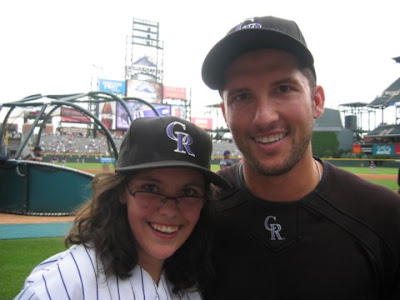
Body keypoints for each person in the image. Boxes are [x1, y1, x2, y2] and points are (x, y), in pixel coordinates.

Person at [201, 16, 400, 299]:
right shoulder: (196, 211)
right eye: (242, 97)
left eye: (283, 89)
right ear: (225, 112)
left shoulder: (386, 218)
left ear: (316, 101)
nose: (265, 117)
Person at [15, 116, 230, 300]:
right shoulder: (63, 284)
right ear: (121, 192)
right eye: (151, 188)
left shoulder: (193, 278)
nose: (169, 210)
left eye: (189, 192)